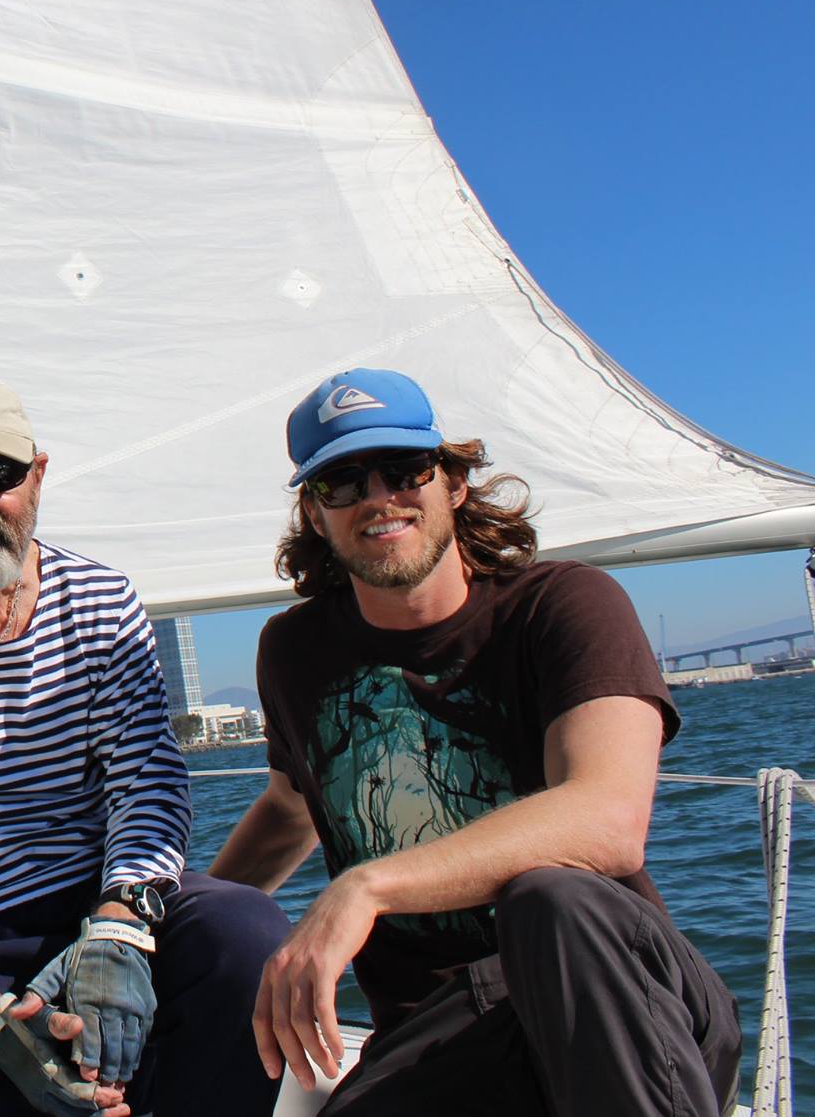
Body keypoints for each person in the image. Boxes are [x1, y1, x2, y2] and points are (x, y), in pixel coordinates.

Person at [208, 368, 742, 1115]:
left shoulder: (562, 606)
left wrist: (366, 886)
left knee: (550, 899)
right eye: (342, 482)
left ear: (452, 481)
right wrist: (174, 929)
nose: (377, 498)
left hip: (623, 1001)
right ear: (315, 511)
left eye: (404, 470)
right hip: (444, 1030)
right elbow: (290, 809)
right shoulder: (294, 652)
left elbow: (608, 821)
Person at [0, 370, 290, 1117]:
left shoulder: (100, 602)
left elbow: (147, 782)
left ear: (36, 477)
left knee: (242, 931)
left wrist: (120, 923)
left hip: (95, 898)